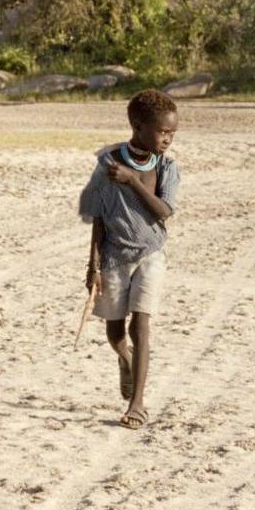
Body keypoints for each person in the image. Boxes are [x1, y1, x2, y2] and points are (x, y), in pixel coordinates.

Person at [77, 88, 181, 429]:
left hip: (151, 254)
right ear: (137, 127)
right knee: (114, 332)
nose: (167, 139)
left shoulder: (166, 166)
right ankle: (126, 358)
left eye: (172, 133)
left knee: (141, 323)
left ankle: (137, 403)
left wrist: (133, 181)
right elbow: (98, 216)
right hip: (114, 257)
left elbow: (164, 211)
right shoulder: (108, 163)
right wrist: (93, 265)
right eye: (162, 132)